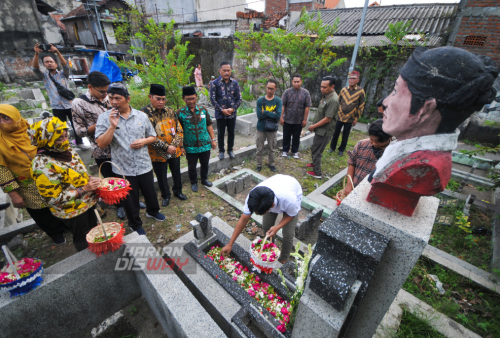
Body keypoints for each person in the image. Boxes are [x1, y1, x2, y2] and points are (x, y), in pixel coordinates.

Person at [368, 47, 498, 215]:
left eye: (395, 91)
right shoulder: (411, 152)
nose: (385, 102)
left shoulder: (425, 169)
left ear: (424, 108)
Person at [95, 83, 165, 235]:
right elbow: (101, 143)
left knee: (150, 192)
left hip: (143, 164)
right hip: (123, 167)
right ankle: (135, 223)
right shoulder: (104, 118)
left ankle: (152, 211)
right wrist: (112, 126)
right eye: (111, 98)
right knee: (129, 199)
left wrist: (144, 141)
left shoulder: (141, 116)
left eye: (117, 98)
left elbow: (153, 136)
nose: (113, 102)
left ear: (128, 99)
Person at [30, 117, 100, 251]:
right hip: (72, 211)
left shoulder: (68, 151)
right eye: (59, 138)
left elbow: (80, 171)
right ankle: (89, 263)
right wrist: (83, 190)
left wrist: (90, 179)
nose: (65, 141)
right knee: (83, 238)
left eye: (66, 135)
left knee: (94, 230)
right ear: (46, 140)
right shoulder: (42, 165)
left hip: (88, 201)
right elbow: (51, 199)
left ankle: (99, 251)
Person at [0, 105, 67, 245]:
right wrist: (13, 194)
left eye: (6, 118)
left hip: (50, 176)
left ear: (16, 117)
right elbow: (2, 170)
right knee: (41, 212)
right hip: (27, 185)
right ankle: (56, 233)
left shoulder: (32, 129)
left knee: (60, 200)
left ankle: (67, 224)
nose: (2, 122)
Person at [71, 71, 127, 220]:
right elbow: (80, 131)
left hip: (119, 147)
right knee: (111, 179)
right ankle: (119, 205)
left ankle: (129, 200)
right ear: (90, 87)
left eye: (107, 92)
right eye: (102, 92)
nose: (106, 95)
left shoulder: (109, 100)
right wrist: (103, 123)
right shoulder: (79, 104)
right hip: (101, 149)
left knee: (123, 176)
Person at [221, 175, 302, 263]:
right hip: (276, 188)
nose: (255, 214)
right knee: (266, 227)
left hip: (291, 189)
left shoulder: (290, 200)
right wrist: (230, 244)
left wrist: (277, 227)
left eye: (259, 213)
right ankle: (269, 252)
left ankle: (283, 260)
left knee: (288, 234)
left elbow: (291, 215)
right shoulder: (254, 197)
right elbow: (243, 220)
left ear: (271, 207)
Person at [31, 43, 89, 150]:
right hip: (56, 106)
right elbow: (35, 69)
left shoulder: (63, 74)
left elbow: (66, 66)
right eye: (46, 62)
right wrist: (36, 54)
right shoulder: (44, 77)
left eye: (51, 62)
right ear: (44, 65)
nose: (49, 64)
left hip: (69, 104)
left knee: (75, 124)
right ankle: (64, 144)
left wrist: (57, 52)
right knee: (61, 127)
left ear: (56, 64)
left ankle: (79, 142)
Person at [142, 84, 186, 207]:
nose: (161, 102)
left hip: (174, 150)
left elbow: (179, 130)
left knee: (176, 172)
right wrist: (166, 147)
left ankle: (178, 191)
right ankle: (165, 195)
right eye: (158, 99)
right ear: (150, 97)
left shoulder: (170, 111)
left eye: (163, 99)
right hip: (157, 153)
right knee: (161, 176)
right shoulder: (144, 114)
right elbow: (147, 135)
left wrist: (173, 146)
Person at [178, 86, 217, 192]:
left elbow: (209, 125)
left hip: (205, 144)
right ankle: (194, 182)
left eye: (193, 98)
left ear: (196, 97)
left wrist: (213, 140)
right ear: (183, 99)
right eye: (188, 99)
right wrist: (181, 146)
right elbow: (179, 132)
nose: (191, 101)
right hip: (190, 146)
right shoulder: (180, 113)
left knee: (205, 163)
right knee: (192, 166)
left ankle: (204, 179)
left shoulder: (203, 110)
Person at [344, 119, 391, 195]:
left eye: (378, 142)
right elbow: (352, 163)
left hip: (370, 193)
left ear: (389, 137)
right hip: (354, 186)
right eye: (372, 139)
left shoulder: (390, 154)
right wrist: (349, 185)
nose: (374, 144)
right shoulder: (362, 144)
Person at [306, 76, 339, 179]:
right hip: (320, 130)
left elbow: (328, 119)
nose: (322, 89)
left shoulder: (333, 100)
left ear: (332, 86)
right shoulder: (326, 95)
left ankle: (317, 172)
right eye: (321, 87)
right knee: (315, 147)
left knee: (317, 151)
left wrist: (313, 126)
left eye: (325, 87)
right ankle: (314, 163)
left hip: (324, 131)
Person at [329, 71, 365, 156]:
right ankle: (332, 147)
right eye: (350, 78)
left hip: (350, 117)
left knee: (345, 134)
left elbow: (361, 105)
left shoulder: (360, 91)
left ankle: (341, 149)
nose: (351, 80)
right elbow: (338, 101)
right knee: (336, 132)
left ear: (358, 80)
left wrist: (356, 118)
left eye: (353, 78)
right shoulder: (344, 89)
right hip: (340, 116)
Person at [210, 62, 242, 160]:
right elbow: (212, 99)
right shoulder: (214, 83)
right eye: (224, 70)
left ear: (231, 71)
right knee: (220, 133)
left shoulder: (235, 83)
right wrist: (222, 110)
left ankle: (230, 150)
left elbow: (239, 98)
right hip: (220, 115)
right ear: (220, 71)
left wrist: (233, 109)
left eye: (228, 70)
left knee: (231, 133)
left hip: (232, 114)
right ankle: (221, 151)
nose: (226, 72)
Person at [280, 74, 312, 159]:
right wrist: (281, 117)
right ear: (292, 82)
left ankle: (295, 151)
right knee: (286, 136)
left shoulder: (305, 93)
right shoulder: (287, 92)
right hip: (287, 119)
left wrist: (305, 119)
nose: (296, 83)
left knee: (296, 137)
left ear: (301, 82)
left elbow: (307, 107)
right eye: (295, 82)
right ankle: (285, 150)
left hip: (299, 120)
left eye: (298, 82)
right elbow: (283, 105)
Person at [256, 79, 282, 173]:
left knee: (272, 148)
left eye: (271, 89)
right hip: (261, 128)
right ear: (266, 88)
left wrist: (266, 112)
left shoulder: (278, 101)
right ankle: (259, 165)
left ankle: (271, 164)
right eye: (268, 88)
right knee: (259, 148)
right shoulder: (260, 100)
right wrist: (272, 113)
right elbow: (259, 115)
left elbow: (278, 116)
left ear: (275, 89)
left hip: (272, 129)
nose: (269, 90)